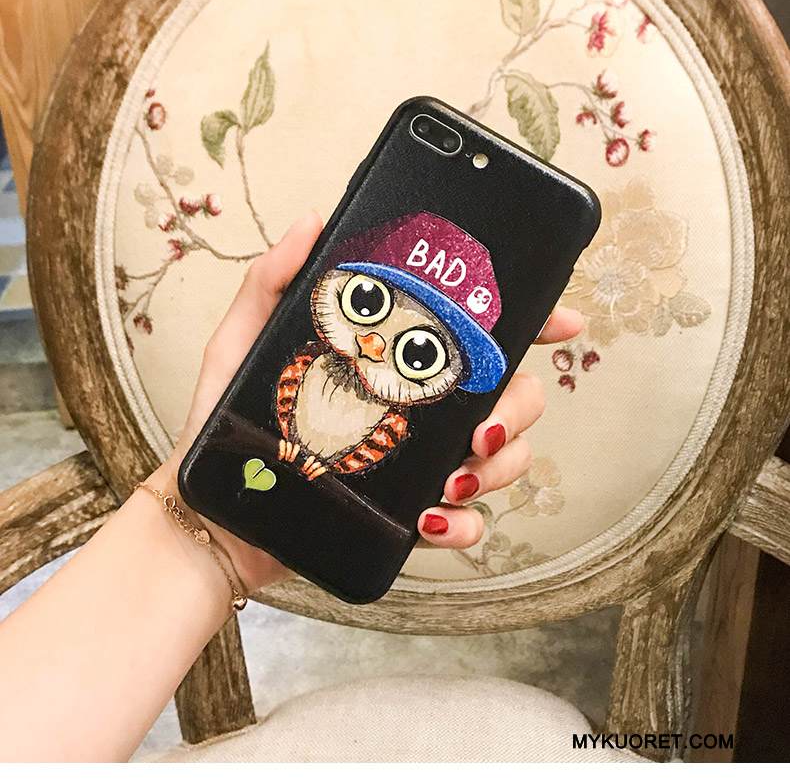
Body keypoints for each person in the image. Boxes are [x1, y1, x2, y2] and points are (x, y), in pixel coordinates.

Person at [0, 213, 583, 761]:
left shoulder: (391, 420)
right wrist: (199, 522)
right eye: (367, 303)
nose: (375, 345)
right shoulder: (304, 365)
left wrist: (212, 544)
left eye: (419, 351)